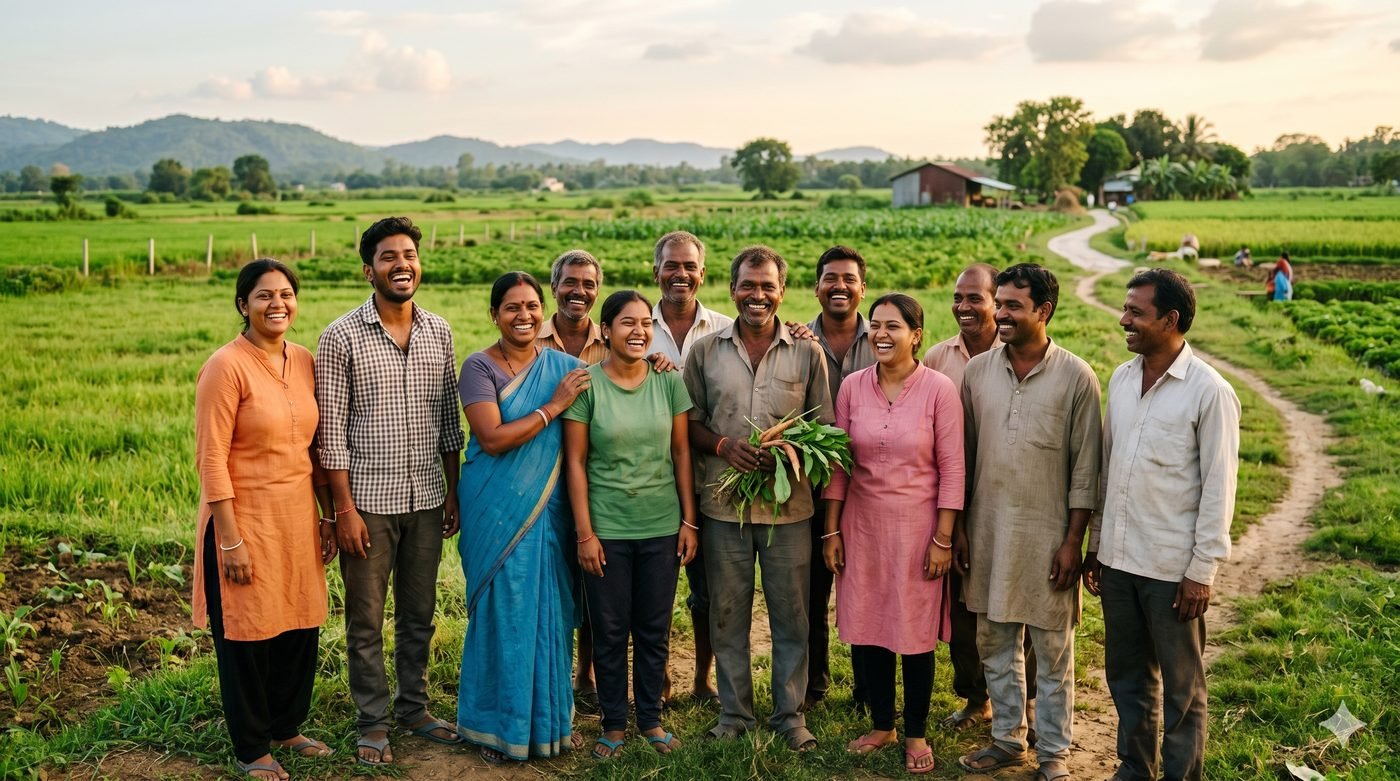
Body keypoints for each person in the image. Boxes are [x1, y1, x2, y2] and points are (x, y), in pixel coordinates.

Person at [316, 217, 466, 765]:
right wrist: (343, 510)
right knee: (365, 618)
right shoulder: (339, 336)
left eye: (409, 255)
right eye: (388, 257)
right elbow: (330, 434)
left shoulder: (439, 331)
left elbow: (450, 421)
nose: (401, 265)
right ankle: (373, 721)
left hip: (427, 498)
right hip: (369, 505)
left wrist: (453, 491)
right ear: (368, 269)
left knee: (420, 612)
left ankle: (414, 707)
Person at [1085, 269, 1240, 781]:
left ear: (1170, 320)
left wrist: (1203, 570)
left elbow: (1219, 489)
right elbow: (1110, 469)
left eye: (1136, 312)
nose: (1124, 319)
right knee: (1127, 679)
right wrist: (1097, 546)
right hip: (1120, 561)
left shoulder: (1209, 392)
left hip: (1173, 570)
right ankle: (1134, 769)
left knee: (1181, 690)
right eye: (1126, 309)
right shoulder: (1123, 378)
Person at [683, 245, 832, 752]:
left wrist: (788, 450)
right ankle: (734, 714)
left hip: (790, 513)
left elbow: (823, 429)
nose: (758, 295)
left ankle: (790, 715)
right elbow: (691, 424)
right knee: (728, 613)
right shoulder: (704, 351)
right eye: (748, 285)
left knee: (792, 615)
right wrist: (725, 446)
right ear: (732, 289)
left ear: (782, 292)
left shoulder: (807, 352)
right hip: (722, 509)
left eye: (768, 286)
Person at [957, 264, 1102, 781]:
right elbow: (965, 461)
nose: (1000, 314)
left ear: (1043, 311)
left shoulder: (1076, 376)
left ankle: (1055, 754)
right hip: (989, 533)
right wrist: (960, 529)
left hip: (1049, 540)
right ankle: (1006, 740)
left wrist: (1074, 542)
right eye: (999, 303)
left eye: (1012, 306)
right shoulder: (976, 373)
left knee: (1053, 653)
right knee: (994, 643)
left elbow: (1087, 469)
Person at [194, 259, 335, 780]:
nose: (277, 304)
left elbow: (315, 447)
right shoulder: (225, 366)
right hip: (244, 519)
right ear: (242, 305)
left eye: (285, 295)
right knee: (248, 636)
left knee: (298, 623)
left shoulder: (303, 359)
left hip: (297, 516)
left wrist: (326, 515)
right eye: (263, 296)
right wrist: (229, 541)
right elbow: (211, 457)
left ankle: (286, 726)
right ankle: (252, 748)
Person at [822, 293, 964, 775]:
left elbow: (953, 470)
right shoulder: (851, 388)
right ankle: (882, 723)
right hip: (861, 526)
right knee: (870, 625)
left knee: (915, 631)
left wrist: (943, 539)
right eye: (876, 326)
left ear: (916, 335)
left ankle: (916, 732)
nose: (881, 335)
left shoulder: (939, 390)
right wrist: (831, 530)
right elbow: (839, 465)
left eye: (894, 327)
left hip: (918, 530)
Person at [455, 272, 593, 763]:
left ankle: (548, 724)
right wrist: (554, 405)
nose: (524, 316)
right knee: (502, 611)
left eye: (532, 306)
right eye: (512, 307)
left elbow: (620, 384)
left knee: (550, 612)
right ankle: (493, 727)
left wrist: (659, 362)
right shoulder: (478, 367)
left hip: (550, 512)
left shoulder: (565, 365)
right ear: (494, 314)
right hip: (494, 508)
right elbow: (491, 438)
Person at [563, 289, 699, 759]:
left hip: (662, 526)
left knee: (654, 626)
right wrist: (585, 533)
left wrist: (689, 521)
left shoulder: (668, 382)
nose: (638, 330)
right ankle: (614, 724)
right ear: (605, 330)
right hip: (607, 530)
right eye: (627, 322)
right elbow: (576, 463)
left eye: (645, 323)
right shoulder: (588, 385)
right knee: (609, 627)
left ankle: (651, 720)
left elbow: (681, 453)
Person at [922, 264, 1037, 737]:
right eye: (957, 297)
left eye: (976, 298)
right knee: (963, 610)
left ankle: (1027, 704)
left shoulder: (1018, 352)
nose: (964, 307)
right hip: (955, 504)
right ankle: (978, 698)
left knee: (1019, 608)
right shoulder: (935, 356)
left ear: (997, 303)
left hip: (1011, 501)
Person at [649, 230, 733, 706]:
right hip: (652, 481)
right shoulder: (636, 325)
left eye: (689, 267)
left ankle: (704, 677)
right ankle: (657, 680)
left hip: (711, 481)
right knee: (654, 594)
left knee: (708, 593)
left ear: (703, 273)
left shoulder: (724, 328)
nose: (681, 274)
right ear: (656, 270)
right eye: (671, 266)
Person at [804, 245, 874, 713]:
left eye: (848, 279)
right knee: (809, 589)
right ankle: (813, 684)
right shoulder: (796, 340)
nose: (840, 286)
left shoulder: (886, 336)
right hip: (812, 486)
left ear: (862, 287)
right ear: (817, 287)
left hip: (871, 487)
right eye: (831, 278)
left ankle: (869, 689)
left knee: (869, 586)